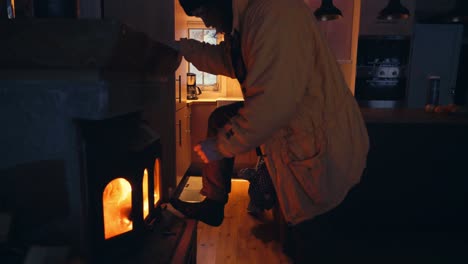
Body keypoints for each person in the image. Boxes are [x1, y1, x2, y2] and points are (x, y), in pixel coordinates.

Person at [165, 0, 369, 259]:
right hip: (300, 131)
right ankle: (214, 204)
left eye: (203, 12)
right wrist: (185, 48)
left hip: (326, 159)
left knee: (312, 244)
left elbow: (271, 105)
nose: (206, 23)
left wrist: (219, 146)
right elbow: (230, 60)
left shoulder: (273, 16)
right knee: (221, 119)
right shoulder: (250, 22)